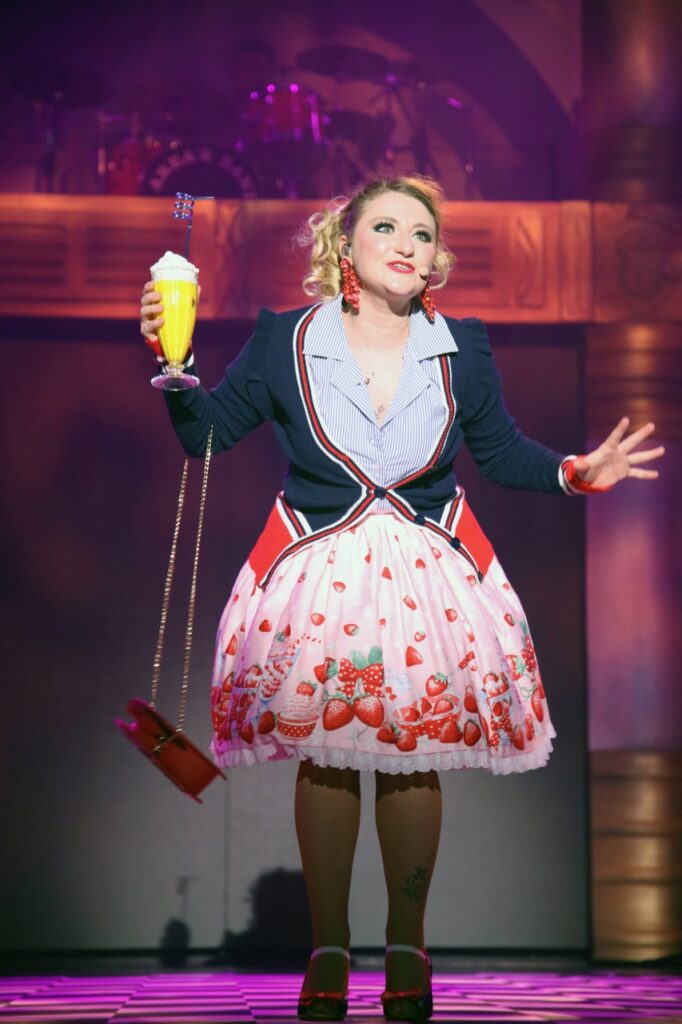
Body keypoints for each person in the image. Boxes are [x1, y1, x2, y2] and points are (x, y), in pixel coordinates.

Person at [139, 175, 663, 1023]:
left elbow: (502, 451)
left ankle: (408, 946)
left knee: (413, 752)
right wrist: (175, 364)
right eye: (386, 227)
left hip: (428, 579)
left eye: (421, 234)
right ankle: (329, 949)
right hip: (320, 573)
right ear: (345, 243)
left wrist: (575, 472)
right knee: (328, 753)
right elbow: (205, 437)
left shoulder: (462, 348)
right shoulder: (284, 341)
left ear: (436, 257)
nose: (406, 245)